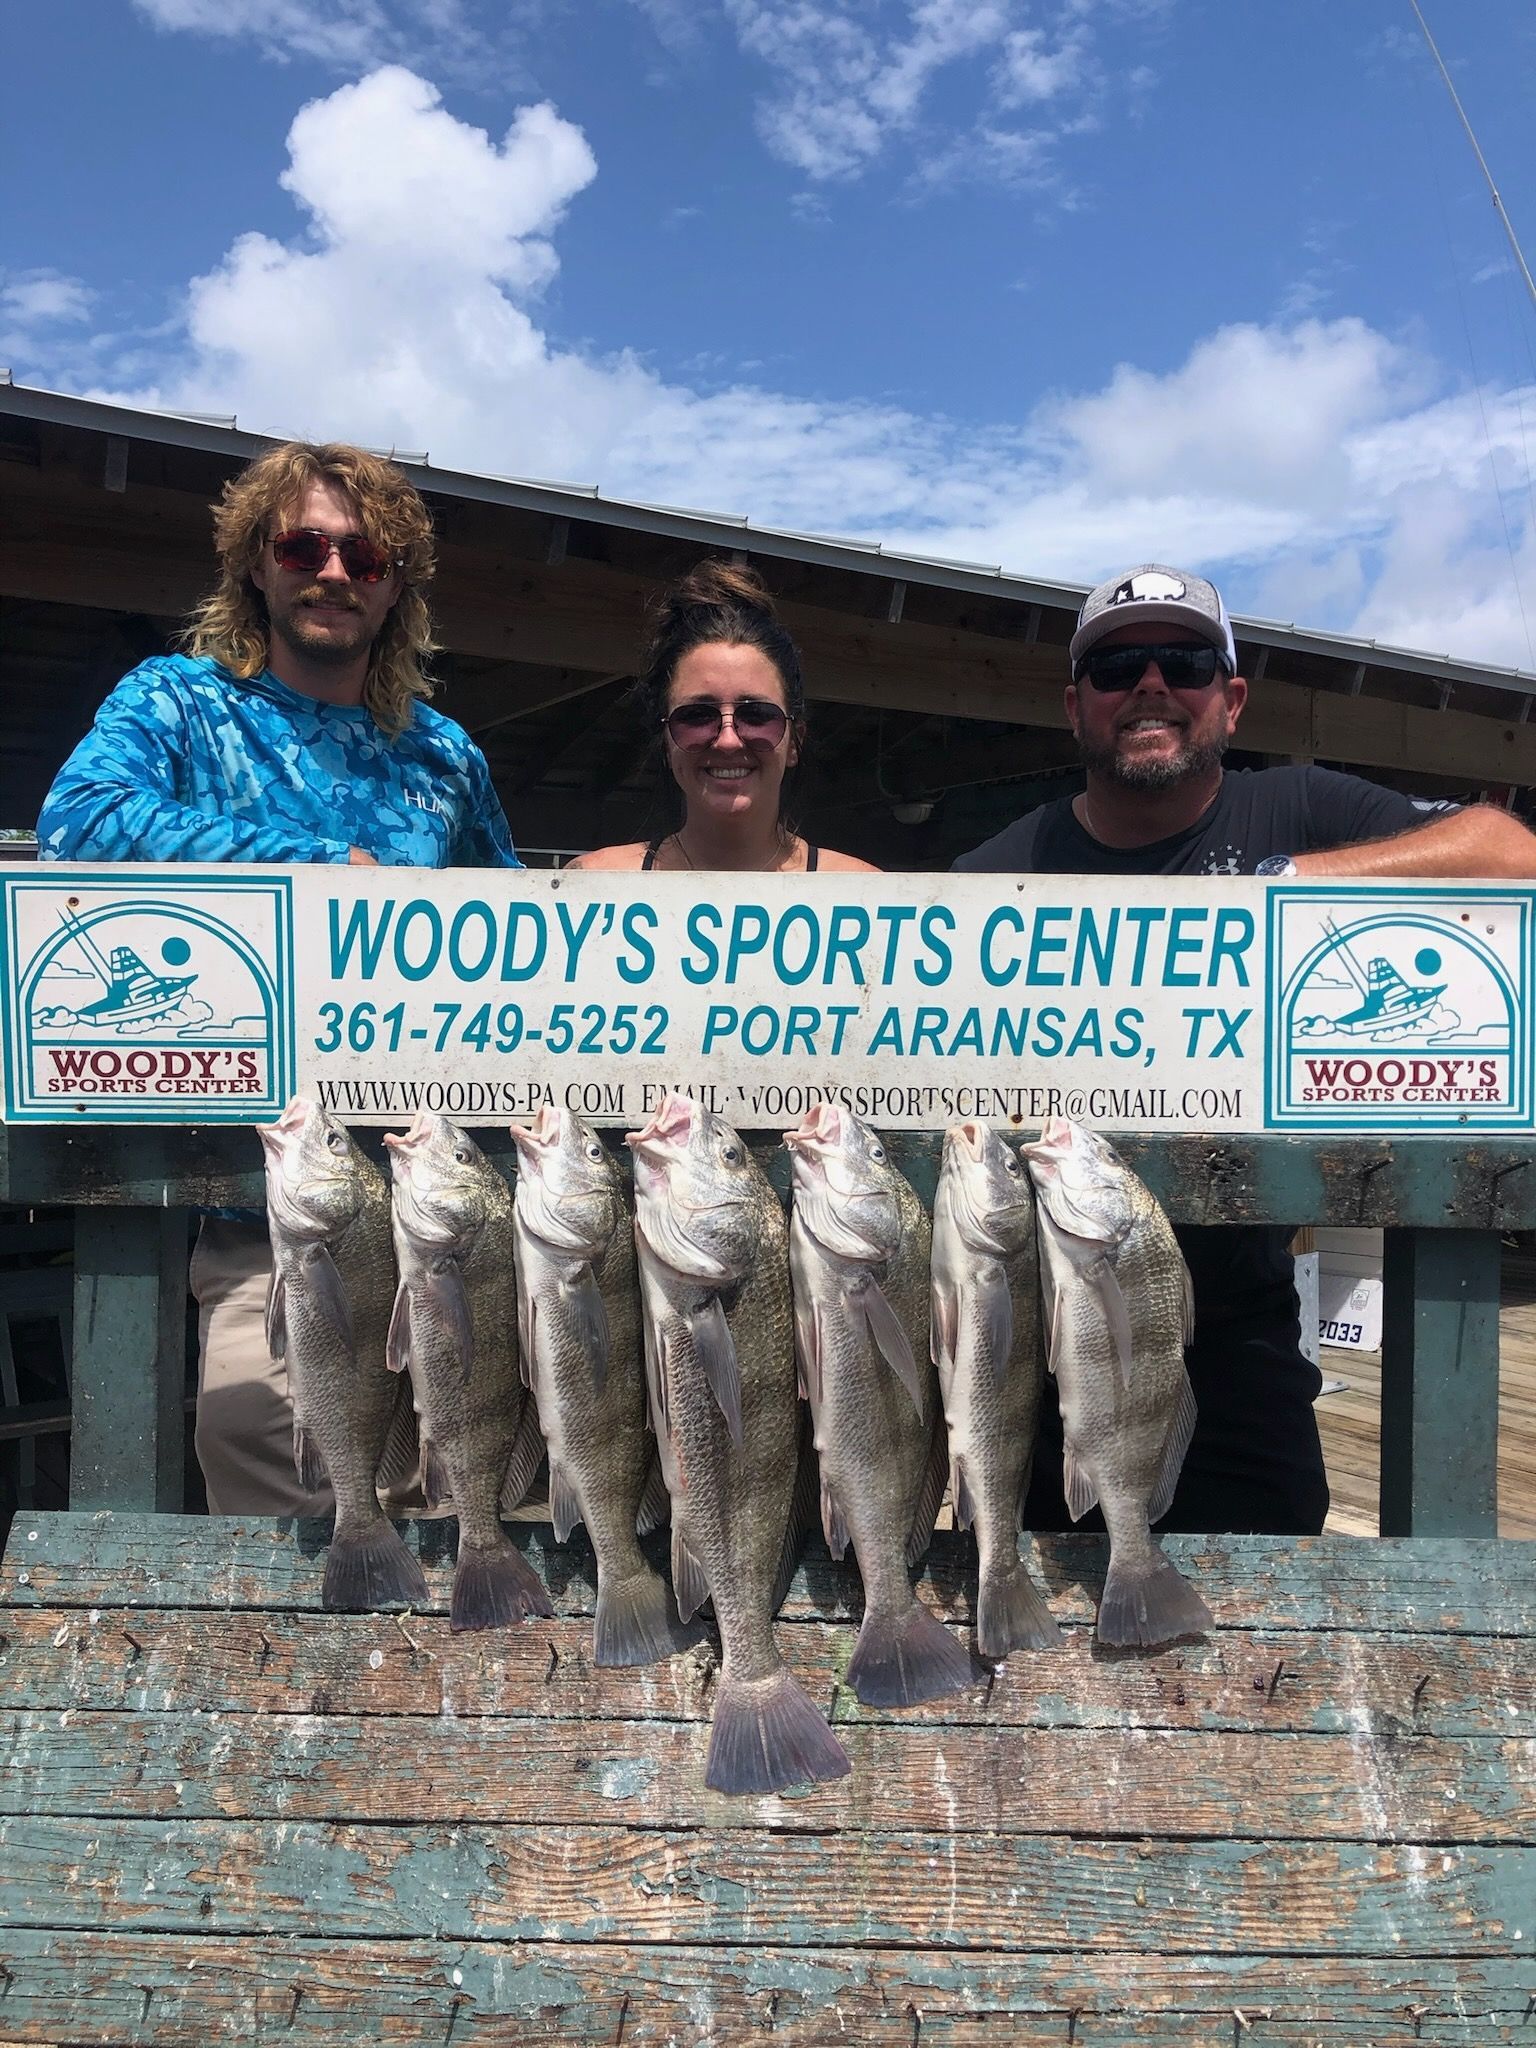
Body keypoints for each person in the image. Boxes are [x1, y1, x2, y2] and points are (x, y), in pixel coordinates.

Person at [955, 560, 1536, 1536]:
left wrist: (1288, 882)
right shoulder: (998, 871)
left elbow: (1508, 849)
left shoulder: (1299, 808)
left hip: (1236, 1335)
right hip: (1047, 1339)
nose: (1150, 684)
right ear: (1074, 705)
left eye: (1181, 661)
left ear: (1230, 697)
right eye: (1117, 667)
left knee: (1266, 1630)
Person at [37, 439, 521, 1519]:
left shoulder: (446, 756)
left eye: (367, 552)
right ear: (255, 562)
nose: (335, 570)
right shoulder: (179, 702)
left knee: (480, 1510)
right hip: (268, 1219)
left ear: (398, 582)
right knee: (275, 1476)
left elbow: (506, 945)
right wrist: (306, 863)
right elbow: (80, 821)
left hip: (443, 1218)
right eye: (304, 543)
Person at [568, 558, 878, 875]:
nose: (728, 740)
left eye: (757, 714)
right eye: (697, 716)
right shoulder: (592, 883)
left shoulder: (868, 895)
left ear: (795, 741)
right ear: (666, 740)